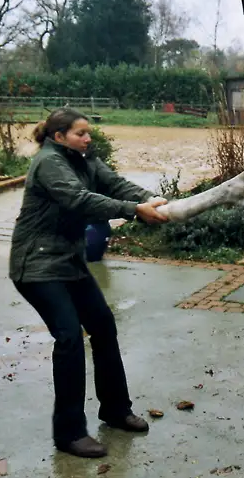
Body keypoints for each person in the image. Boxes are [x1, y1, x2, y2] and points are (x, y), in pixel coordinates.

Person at [9, 108, 169, 458]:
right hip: (36, 265)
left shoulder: (84, 160)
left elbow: (116, 185)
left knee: (102, 325)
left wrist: (152, 202)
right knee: (69, 338)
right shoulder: (49, 163)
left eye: (88, 133)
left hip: (68, 262)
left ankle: (115, 410)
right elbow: (79, 200)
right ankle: (69, 434)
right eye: (80, 133)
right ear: (58, 137)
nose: (88, 138)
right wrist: (133, 210)